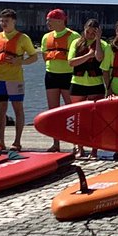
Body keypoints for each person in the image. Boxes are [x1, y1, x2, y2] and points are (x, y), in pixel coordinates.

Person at [0, 8, 39, 150]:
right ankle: (1, 141)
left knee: (18, 109)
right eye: (2, 21)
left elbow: (34, 56)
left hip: (15, 79)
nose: (4, 23)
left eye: (7, 21)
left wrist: (20, 62)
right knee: (1, 109)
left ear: (14, 22)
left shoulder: (23, 38)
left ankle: (17, 142)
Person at [68, 19, 112, 157]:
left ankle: (94, 149)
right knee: (78, 117)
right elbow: (71, 62)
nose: (90, 35)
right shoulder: (76, 43)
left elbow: (99, 58)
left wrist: (98, 40)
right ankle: (79, 148)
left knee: (95, 119)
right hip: (78, 83)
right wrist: (87, 56)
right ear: (84, 29)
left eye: (94, 32)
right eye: (88, 32)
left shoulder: (103, 44)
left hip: (95, 84)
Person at [39, 8, 79, 152]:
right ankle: (56, 143)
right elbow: (45, 56)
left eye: (51, 20)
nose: (48, 23)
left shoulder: (73, 36)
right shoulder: (46, 37)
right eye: (47, 20)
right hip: (51, 75)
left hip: (68, 75)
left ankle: (75, 142)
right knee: (53, 110)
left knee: (71, 110)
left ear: (61, 20)